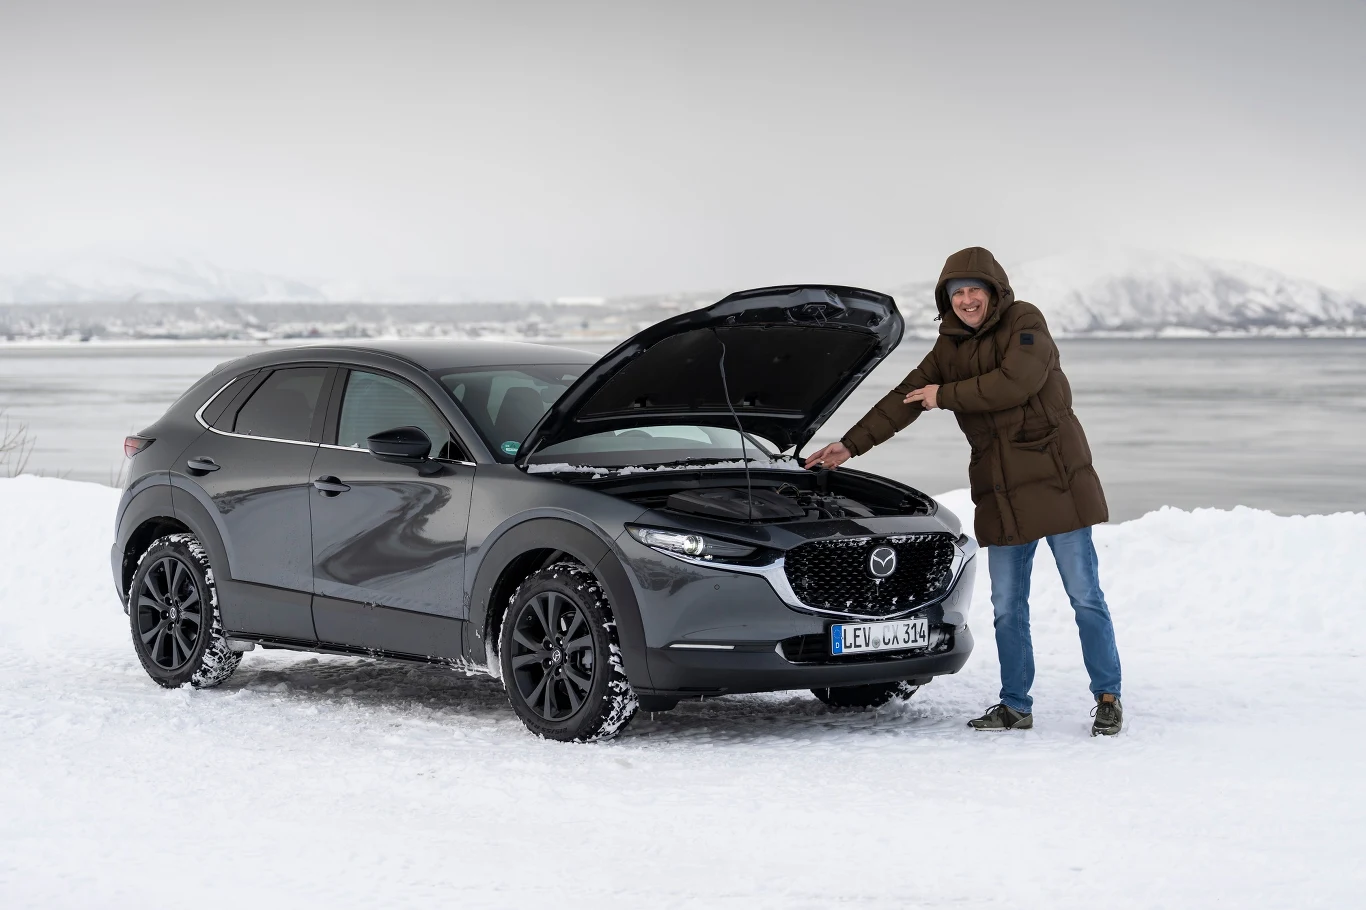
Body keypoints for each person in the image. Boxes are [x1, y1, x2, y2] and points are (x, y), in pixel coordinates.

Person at [804, 247, 1123, 736]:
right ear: (946, 300)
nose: (968, 300)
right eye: (958, 293)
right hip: (1000, 488)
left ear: (994, 292)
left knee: (1084, 596)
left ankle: (1107, 695)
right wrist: (848, 445)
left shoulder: (1025, 321)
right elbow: (904, 399)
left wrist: (944, 395)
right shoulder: (948, 347)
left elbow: (1015, 383)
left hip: (1057, 482)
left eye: (976, 290)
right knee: (1006, 607)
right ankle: (1015, 705)